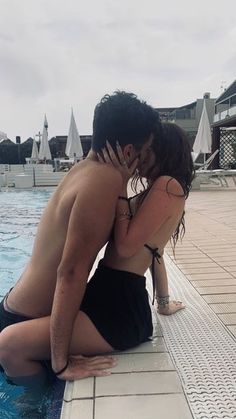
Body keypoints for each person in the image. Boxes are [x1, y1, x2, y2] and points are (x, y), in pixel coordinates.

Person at [0, 91, 158, 385]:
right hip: (26, 327)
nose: (146, 158)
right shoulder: (103, 180)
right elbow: (71, 272)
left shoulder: (82, 169)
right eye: (145, 150)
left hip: (17, 306)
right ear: (127, 152)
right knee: (34, 403)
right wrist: (60, 363)